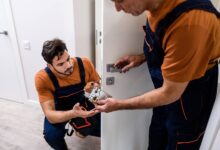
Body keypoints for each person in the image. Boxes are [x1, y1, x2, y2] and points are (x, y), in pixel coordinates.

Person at [96, 0, 220, 149]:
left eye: (120, 1)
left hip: (188, 94)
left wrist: (119, 104)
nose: (117, 9)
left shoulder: (189, 23)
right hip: (168, 90)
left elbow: (170, 93)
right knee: (158, 131)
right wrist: (142, 57)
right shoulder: (154, 6)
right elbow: (173, 46)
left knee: (180, 139)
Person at [35, 38, 100, 150]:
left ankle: (80, 129)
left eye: (68, 59)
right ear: (50, 66)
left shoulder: (84, 64)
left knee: (102, 128)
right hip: (58, 109)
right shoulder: (42, 78)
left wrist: (94, 91)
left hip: (80, 102)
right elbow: (50, 115)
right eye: (60, 64)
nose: (68, 65)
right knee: (51, 136)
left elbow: (97, 86)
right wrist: (74, 113)